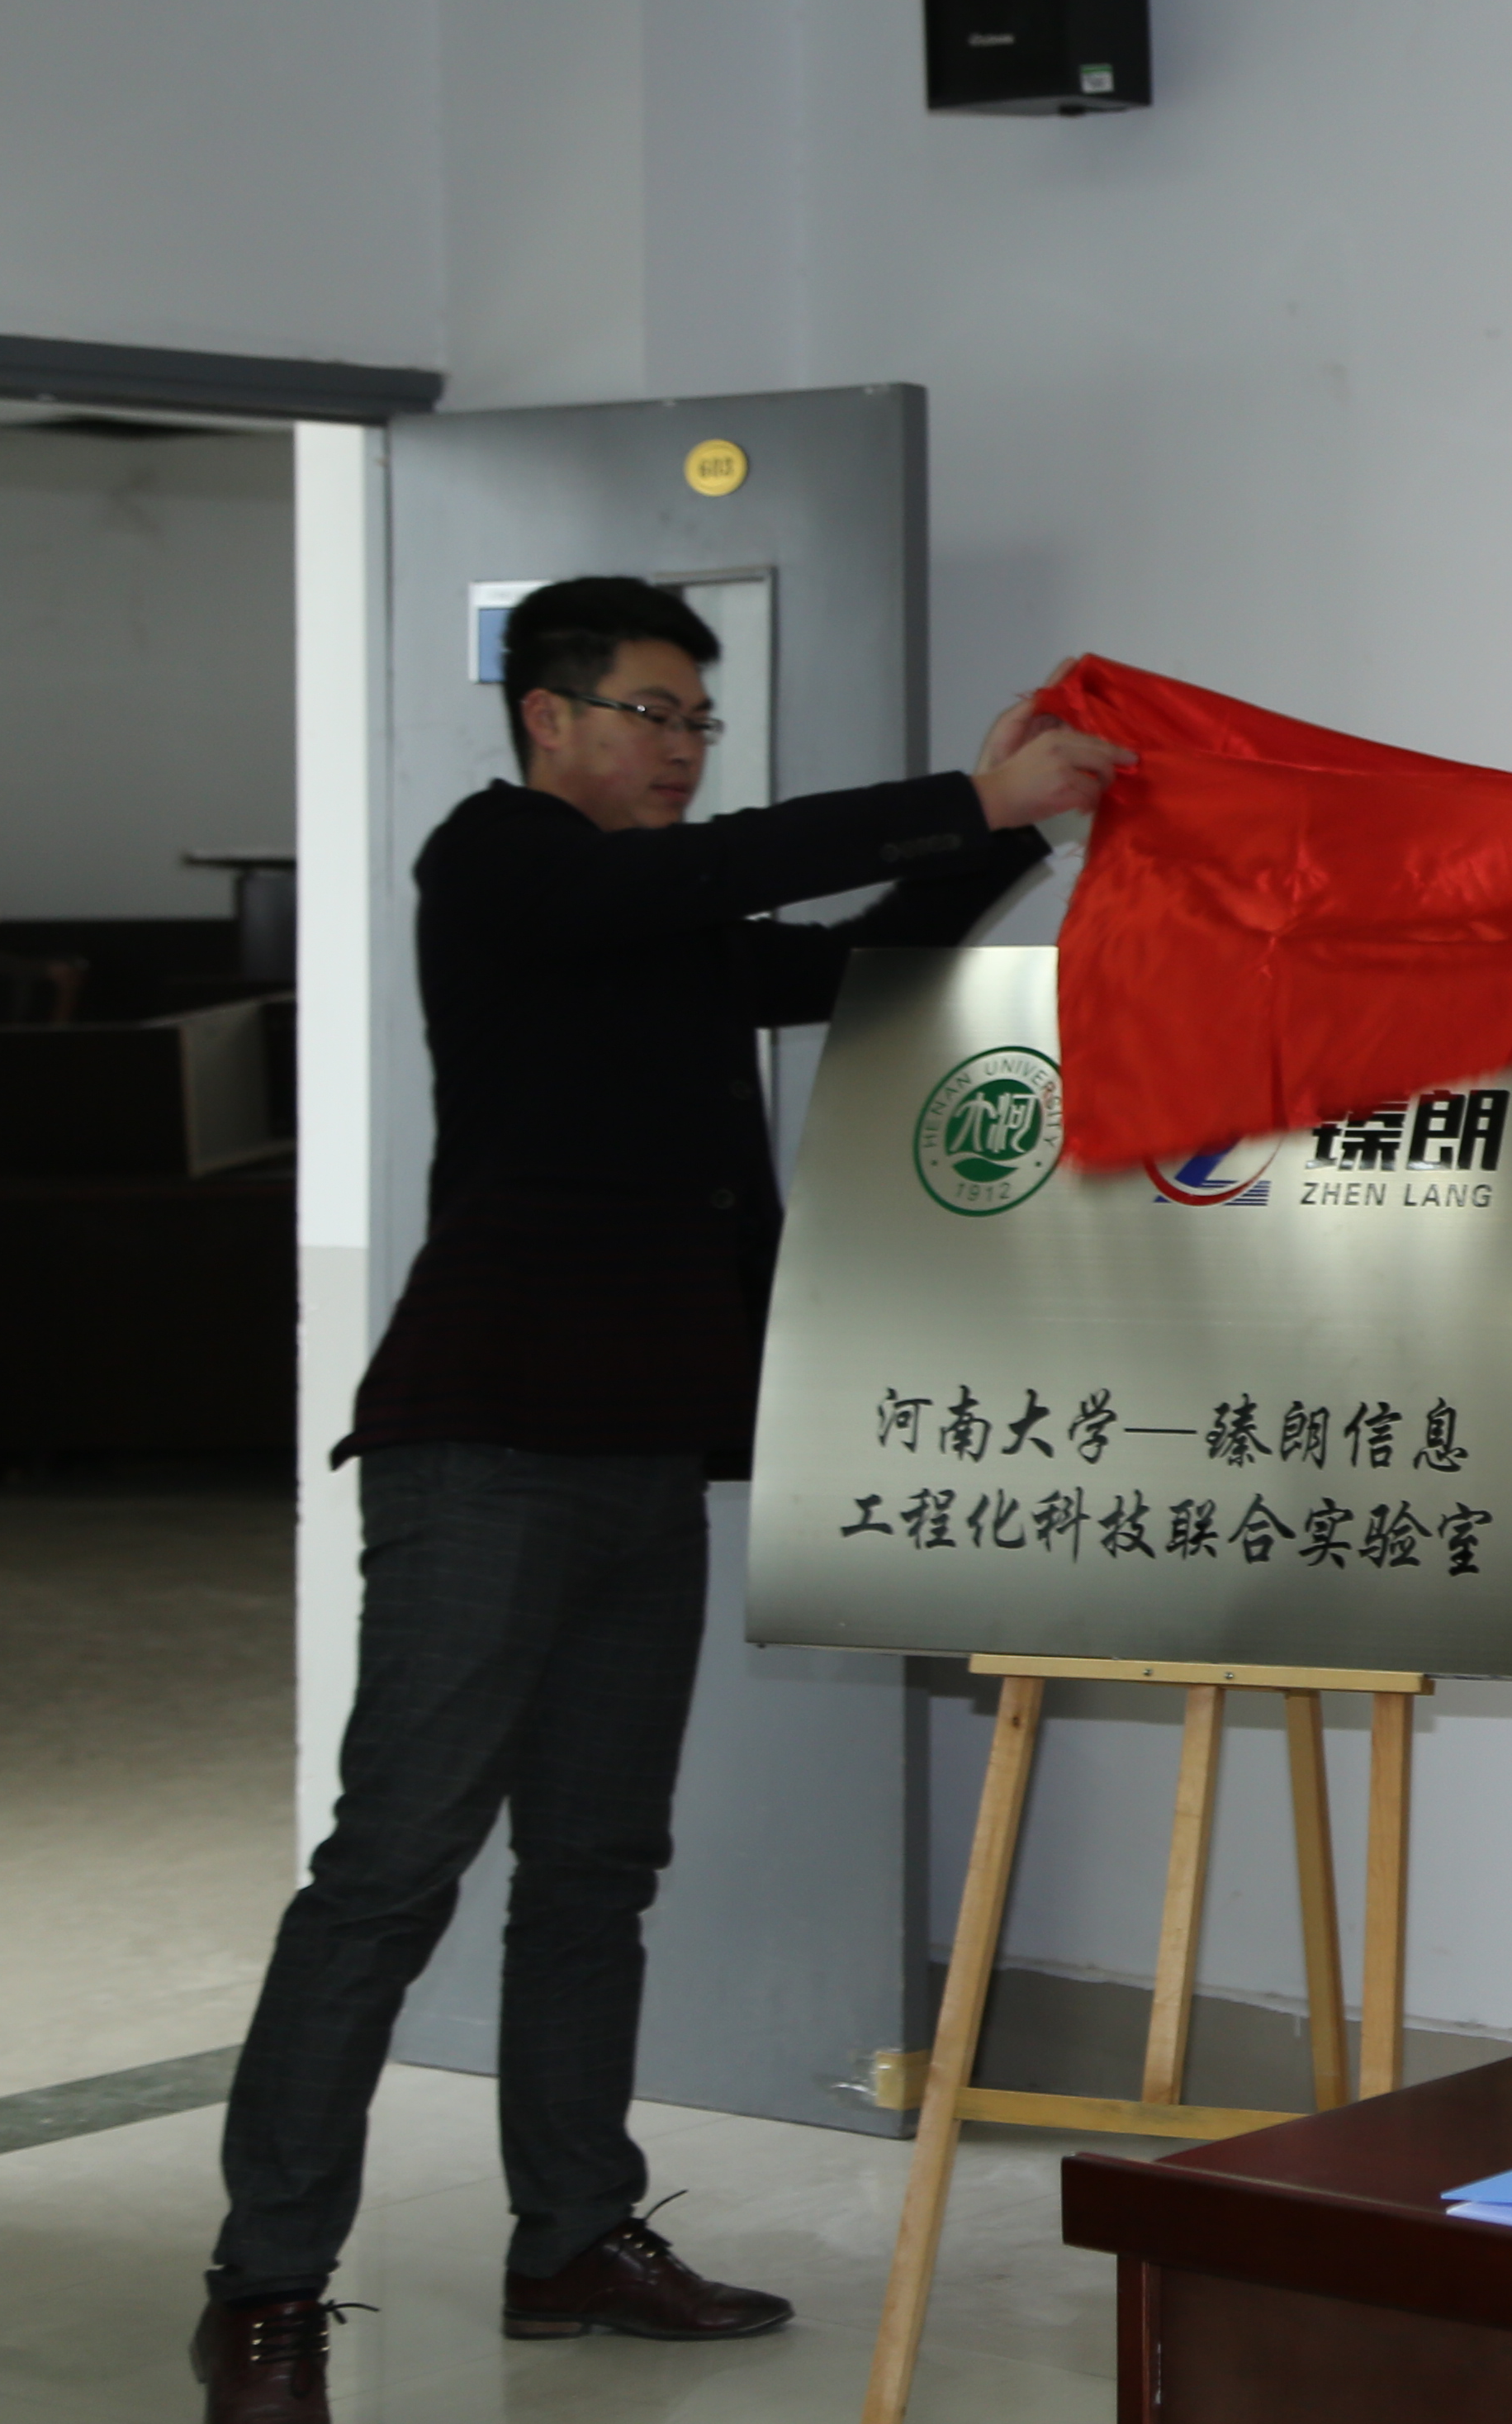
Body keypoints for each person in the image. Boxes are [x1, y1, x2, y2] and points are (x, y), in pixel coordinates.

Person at [190, 578, 1126, 2423]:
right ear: (547, 717)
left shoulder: (664, 920)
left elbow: (864, 965)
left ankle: (571, 2239)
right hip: (486, 1446)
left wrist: (1018, 832)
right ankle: (270, 2289)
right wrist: (965, 794)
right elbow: (711, 878)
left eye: (700, 720)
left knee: (597, 1870)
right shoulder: (502, 863)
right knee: (390, 1873)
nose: (686, 748)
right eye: (653, 712)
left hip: (643, 1448)